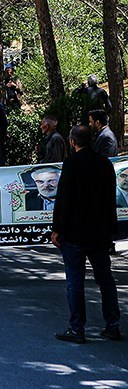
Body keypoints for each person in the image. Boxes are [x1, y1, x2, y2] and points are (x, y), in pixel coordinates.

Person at [51, 124, 122, 343]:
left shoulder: (72, 164)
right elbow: (112, 199)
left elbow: (64, 198)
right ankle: (113, 325)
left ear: (73, 142)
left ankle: (77, 328)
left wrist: (57, 229)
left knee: (75, 280)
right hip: (99, 232)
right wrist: (111, 229)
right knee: (105, 279)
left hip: (75, 232)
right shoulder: (104, 164)